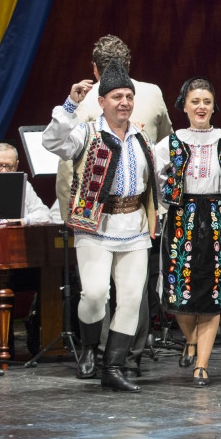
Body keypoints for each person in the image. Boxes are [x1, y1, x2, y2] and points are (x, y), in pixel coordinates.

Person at [54, 35, 172, 377]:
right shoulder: (87, 127)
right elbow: (55, 143)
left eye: (128, 97)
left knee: (133, 298)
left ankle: (117, 365)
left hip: (134, 223)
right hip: (94, 219)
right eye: (117, 97)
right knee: (95, 293)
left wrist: (160, 208)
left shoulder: (142, 136)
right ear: (101, 100)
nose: (124, 103)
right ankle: (92, 347)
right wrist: (69, 106)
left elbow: (159, 171)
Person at [155, 77, 221, 387]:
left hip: (219, 218)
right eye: (195, 101)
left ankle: (202, 365)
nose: (201, 107)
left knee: (212, 292)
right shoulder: (169, 144)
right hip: (182, 218)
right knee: (179, 293)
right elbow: (156, 183)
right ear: (184, 106)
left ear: (213, 106)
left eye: (206, 101)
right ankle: (191, 340)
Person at [0, 143, 52, 225]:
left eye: (9, 166)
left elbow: (46, 215)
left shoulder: (24, 184)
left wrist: (23, 221)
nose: (4, 171)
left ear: (16, 165)